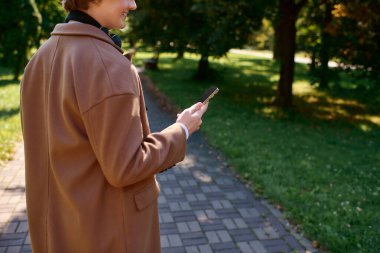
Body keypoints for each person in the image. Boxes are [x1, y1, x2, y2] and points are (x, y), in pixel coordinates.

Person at [20, 0, 208, 252]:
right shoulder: (108, 65)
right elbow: (127, 166)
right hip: (111, 235)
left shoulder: (40, 57)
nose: (133, 5)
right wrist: (181, 130)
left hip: (60, 231)